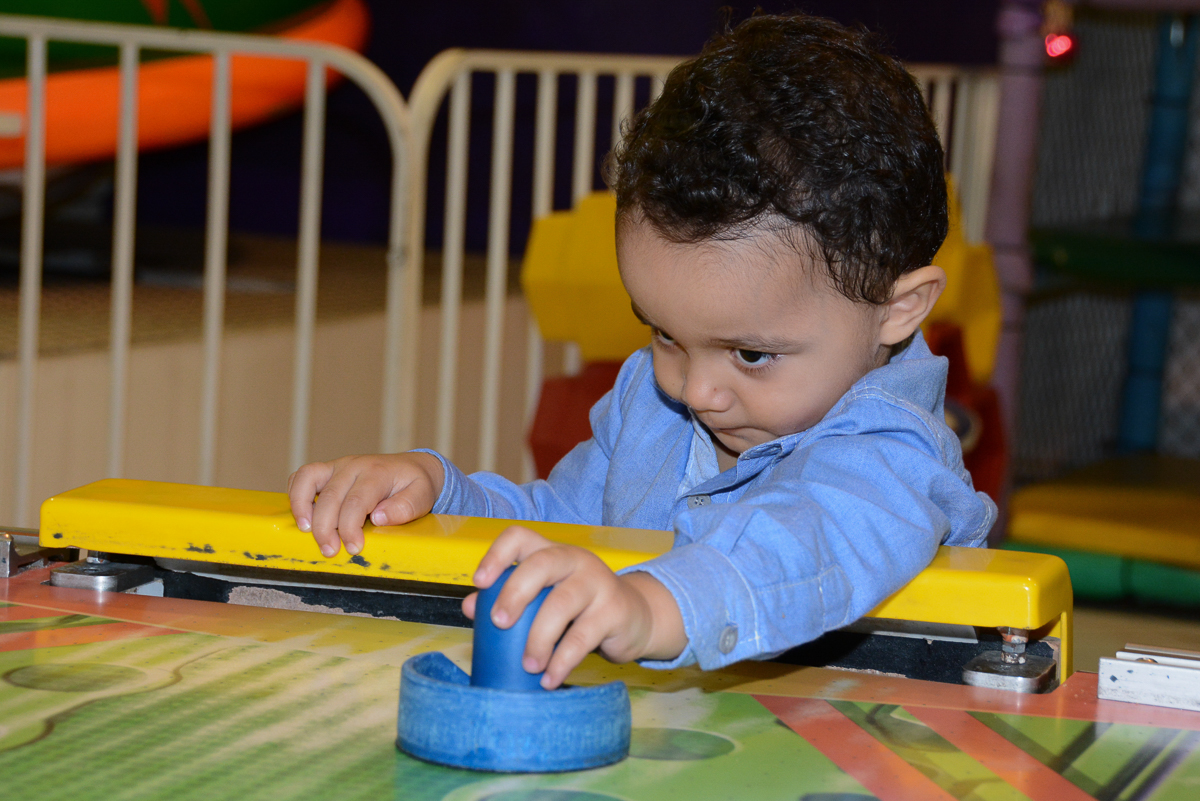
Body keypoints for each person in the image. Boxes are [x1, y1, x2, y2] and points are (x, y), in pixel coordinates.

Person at [287, 12, 996, 689]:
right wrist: (442, 497)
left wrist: (653, 607)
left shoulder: (894, 452)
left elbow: (805, 546)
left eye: (750, 354)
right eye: (664, 333)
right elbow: (561, 528)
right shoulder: (652, 401)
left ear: (897, 309)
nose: (696, 390)